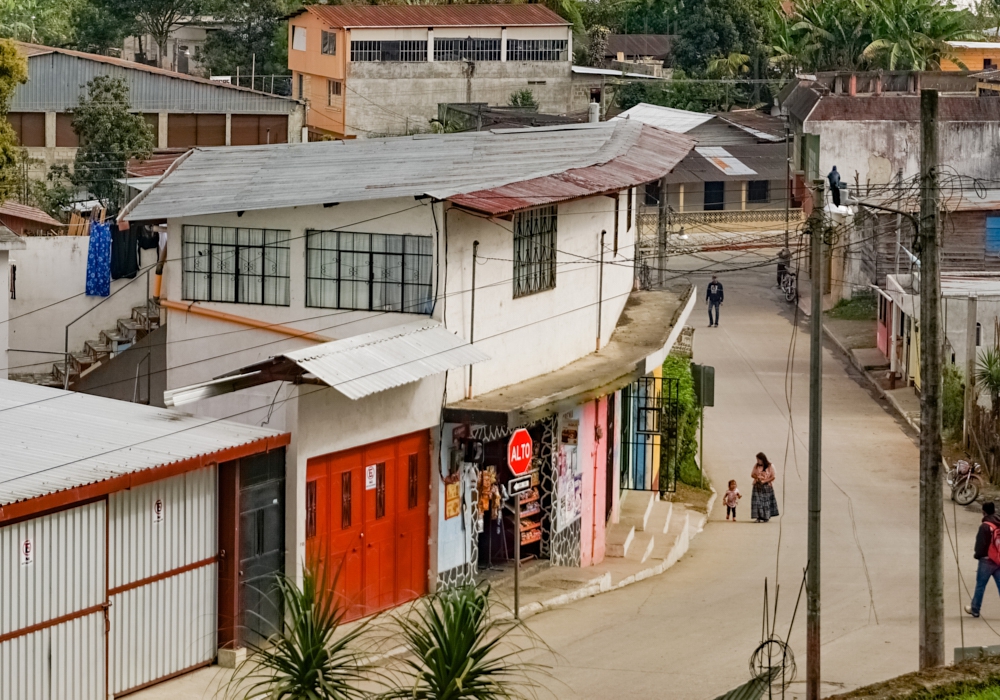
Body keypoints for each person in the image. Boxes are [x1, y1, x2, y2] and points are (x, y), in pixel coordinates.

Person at [965, 501, 1000, 617]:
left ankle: (975, 609)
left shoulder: (985, 526)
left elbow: (980, 545)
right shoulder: (998, 523)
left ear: (983, 512)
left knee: (980, 585)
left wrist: (977, 555)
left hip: (986, 560)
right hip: (998, 559)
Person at [750, 453, 779, 523]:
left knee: (765, 502)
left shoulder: (770, 466)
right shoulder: (756, 466)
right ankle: (758, 517)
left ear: (762, 459)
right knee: (757, 502)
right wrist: (757, 477)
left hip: (766, 486)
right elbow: (752, 474)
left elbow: (773, 477)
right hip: (757, 486)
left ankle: (766, 517)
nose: (757, 461)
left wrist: (764, 481)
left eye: (758, 459)